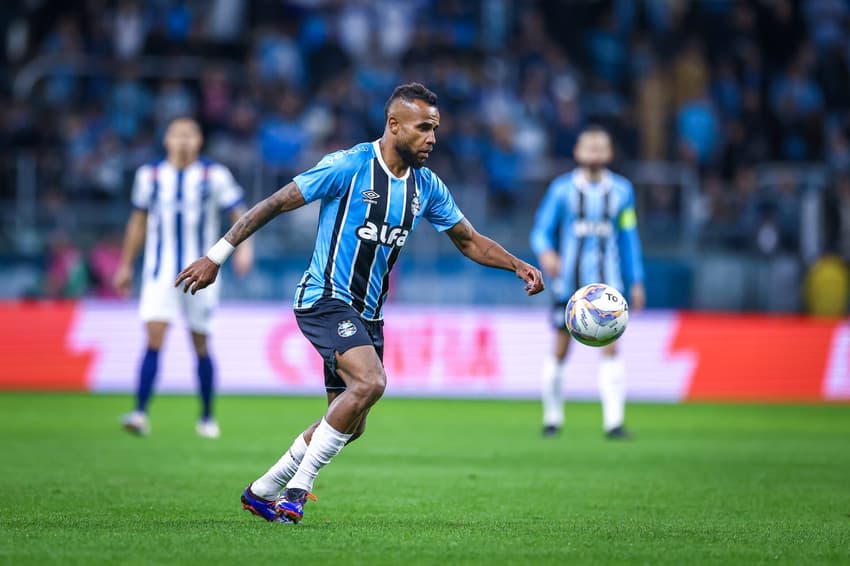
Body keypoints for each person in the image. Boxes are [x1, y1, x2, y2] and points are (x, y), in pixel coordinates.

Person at [175, 83, 544, 524]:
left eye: (436, 129)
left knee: (352, 423)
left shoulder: (426, 187)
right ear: (393, 125)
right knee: (371, 383)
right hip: (324, 298)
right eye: (423, 128)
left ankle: (262, 490)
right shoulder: (349, 166)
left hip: (368, 315)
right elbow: (274, 204)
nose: (432, 138)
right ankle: (298, 489)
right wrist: (216, 257)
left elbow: (468, 240)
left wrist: (517, 264)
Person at [114, 117, 253, 438]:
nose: (183, 141)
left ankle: (206, 417)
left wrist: (244, 251)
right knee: (153, 338)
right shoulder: (149, 175)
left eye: (189, 134)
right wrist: (125, 264)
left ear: (199, 140)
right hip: (159, 272)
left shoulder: (214, 175)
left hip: (201, 273)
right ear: (166, 140)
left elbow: (241, 214)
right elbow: (137, 222)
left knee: (200, 343)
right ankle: (139, 413)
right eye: (177, 135)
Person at [530, 125, 646, 440]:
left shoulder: (622, 191)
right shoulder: (562, 190)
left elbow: (628, 238)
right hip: (569, 287)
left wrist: (636, 281)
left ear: (609, 154)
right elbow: (540, 230)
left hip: (608, 289)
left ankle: (614, 423)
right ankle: (552, 419)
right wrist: (547, 253)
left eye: (600, 147)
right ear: (577, 152)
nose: (594, 152)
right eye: (588, 147)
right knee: (559, 348)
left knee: (611, 348)